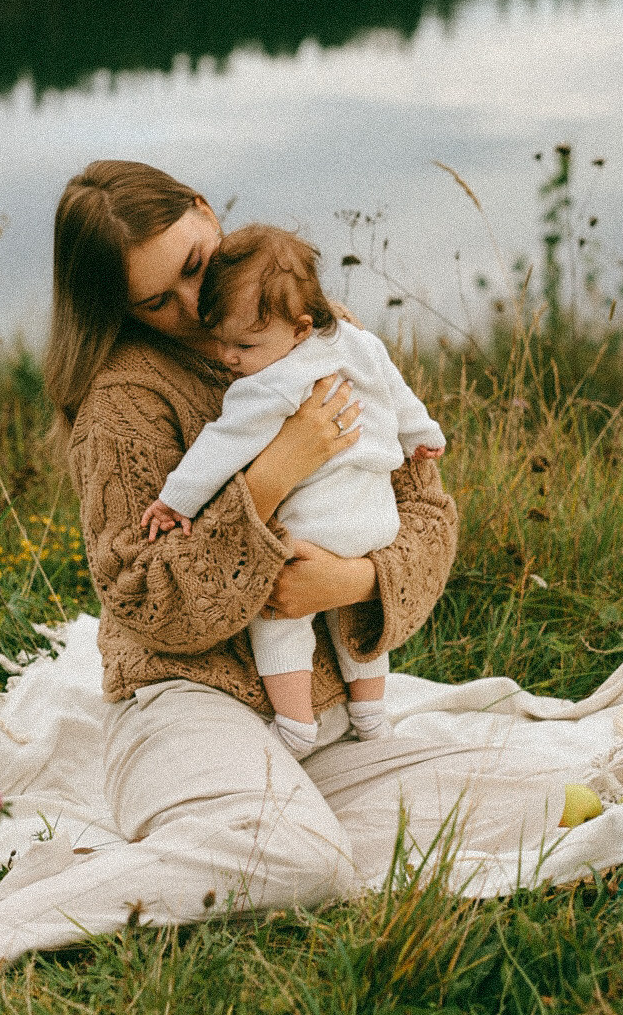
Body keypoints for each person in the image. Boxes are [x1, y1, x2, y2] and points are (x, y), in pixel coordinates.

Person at [0, 160, 562, 990]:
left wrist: (354, 584)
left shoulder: (316, 332)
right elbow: (152, 607)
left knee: (533, 786)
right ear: (123, 312)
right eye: (157, 301)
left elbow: (428, 517)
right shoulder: (125, 405)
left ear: (206, 211)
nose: (193, 311)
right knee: (304, 859)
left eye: (195, 266)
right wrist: (270, 476)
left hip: (316, 711)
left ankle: (142, 859)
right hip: (184, 699)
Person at [141, 224, 445, 759]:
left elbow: (222, 443)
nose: (229, 356)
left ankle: (295, 724)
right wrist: (424, 435)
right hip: (376, 521)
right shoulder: (361, 344)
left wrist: (176, 500)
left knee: (278, 612)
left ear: (301, 330)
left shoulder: (272, 380)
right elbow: (398, 393)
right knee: (350, 608)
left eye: (243, 345)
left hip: (315, 524)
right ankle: (371, 712)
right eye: (222, 341)